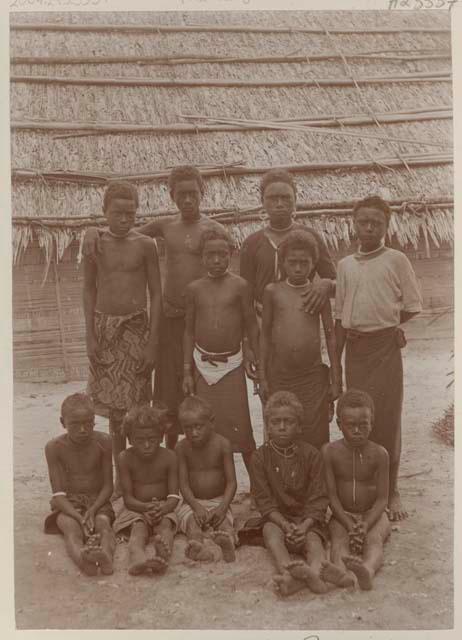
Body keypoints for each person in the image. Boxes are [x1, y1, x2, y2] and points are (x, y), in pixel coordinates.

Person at [83, 166, 228, 450]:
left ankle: (204, 452)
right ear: (172, 195)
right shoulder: (164, 227)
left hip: (204, 320)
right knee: (166, 389)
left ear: (203, 193)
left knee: (204, 382)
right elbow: (123, 234)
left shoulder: (215, 230)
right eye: (181, 194)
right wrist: (93, 229)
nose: (188, 200)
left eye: (193, 194)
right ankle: (170, 450)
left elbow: (223, 271)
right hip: (172, 319)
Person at [335, 196, 422, 521]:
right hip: (356, 351)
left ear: (386, 226)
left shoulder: (397, 260)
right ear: (354, 224)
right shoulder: (345, 266)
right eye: (363, 222)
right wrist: (338, 365)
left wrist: (390, 327)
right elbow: (341, 316)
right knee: (358, 416)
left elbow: (412, 305)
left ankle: (392, 490)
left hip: (385, 349)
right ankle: (364, 488)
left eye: (377, 223)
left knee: (386, 417)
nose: (369, 228)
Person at [83, 180, 162, 489]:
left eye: (130, 212)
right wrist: (89, 335)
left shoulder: (145, 245)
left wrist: (152, 342)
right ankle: (119, 478)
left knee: (139, 405)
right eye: (117, 212)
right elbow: (88, 290)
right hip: (105, 330)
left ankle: (142, 472)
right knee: (114, 412)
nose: (124, 218)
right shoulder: (94, 243)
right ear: (104, 212)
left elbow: (156, 294)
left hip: (136, 330)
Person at [183, 228, 259, 475]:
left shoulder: (240, 286)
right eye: (210, 255)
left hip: (232, 366)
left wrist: (251, 354)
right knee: (205, 429)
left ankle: (259, 489)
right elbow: (188, 332)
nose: (216, 260)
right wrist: (187, 370)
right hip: (202, 368)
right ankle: (213, 486)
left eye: (222, 254)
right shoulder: (194, 289)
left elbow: (250, 325)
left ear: (230, 255)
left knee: (242, 430)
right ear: (202, 258)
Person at [259, 230, 341, 449]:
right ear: (283, 263)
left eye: (304, 263)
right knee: (282, 432)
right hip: (280, 375)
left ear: (313, 263)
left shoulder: (318, 292)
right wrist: (263, 377)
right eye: (292, 262)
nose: (297, 268)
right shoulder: (273, 292)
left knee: (315, 433)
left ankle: (316, 483)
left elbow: (331, 337)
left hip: (312, 377)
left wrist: (335, 376)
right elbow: (265, 335)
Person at [250, 391, 330, 597]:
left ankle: (313, 573)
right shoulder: (260, 458)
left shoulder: (312, 455)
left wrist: (304, 526)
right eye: (276, 422)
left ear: (299, 426)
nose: (282, 427)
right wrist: (285, 525)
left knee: (314, 542)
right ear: (268, 427)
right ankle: (288, 572)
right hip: (278, 520)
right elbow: (264, 502)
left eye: (289, 421)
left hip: (307, 521)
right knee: (270, 534)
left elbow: (319, 498)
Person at [240, 169, 336, 326]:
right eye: (272, 198)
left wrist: (326, 284)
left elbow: (334, 281)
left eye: (285, 198)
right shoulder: (251, 243)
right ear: (262, 201)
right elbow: (245, 296)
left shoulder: (311, 238)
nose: (279, 204)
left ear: (295, 200)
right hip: (262, 322)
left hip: (301, 319)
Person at [321, 389, 391, 591]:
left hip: (373, 513)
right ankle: (343, 574)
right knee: (339, 541)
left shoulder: (380, 454)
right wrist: (348, 523)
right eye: (351, 425)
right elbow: (332, 497)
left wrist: (366, 524)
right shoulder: (329, 452)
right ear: (339, 425)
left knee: (374, 540)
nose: (357, 430)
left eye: (363, 424)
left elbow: (382, 499)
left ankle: (367, 570)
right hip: (342, 513)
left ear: (372, 423)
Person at [44, 393, 115, 576]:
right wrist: (78, 516)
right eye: (75, 424)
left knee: (103, 524)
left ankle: (105, 556)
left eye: (89, 423)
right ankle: (83, 561)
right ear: (62, 422)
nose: (83, 429)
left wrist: (93, 509)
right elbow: (58, 495)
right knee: (71, 529)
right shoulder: (54, 448)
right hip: (68, 504)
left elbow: (108, 486)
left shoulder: (104, 442)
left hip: (97, 501)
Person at [114, 405, 180, 575]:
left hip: (164, 506)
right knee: (138, 529)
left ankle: (162, 556)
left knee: (165, 527)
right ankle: (138, 557)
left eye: (152, 439)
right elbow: (127, 498)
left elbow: (173, 496)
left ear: (161, 437)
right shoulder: (125, 458)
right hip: (135, 508)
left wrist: (162, 509)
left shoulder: (169, 457)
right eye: (140, 440)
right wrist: (145, 509)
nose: (147, 445)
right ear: (129, 438)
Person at [176, 396, 238, 563]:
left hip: (219, 501)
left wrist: (223, 507)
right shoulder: (181, 447)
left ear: (211, 422)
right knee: (192, 525)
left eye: (198, 426)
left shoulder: (223, 444)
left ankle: (228, 543)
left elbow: (232, 482)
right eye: (188, 428)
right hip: (192, 502)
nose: (194, 433)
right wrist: (196, 507)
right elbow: (183, 484)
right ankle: (198, 547)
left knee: (225, 525)